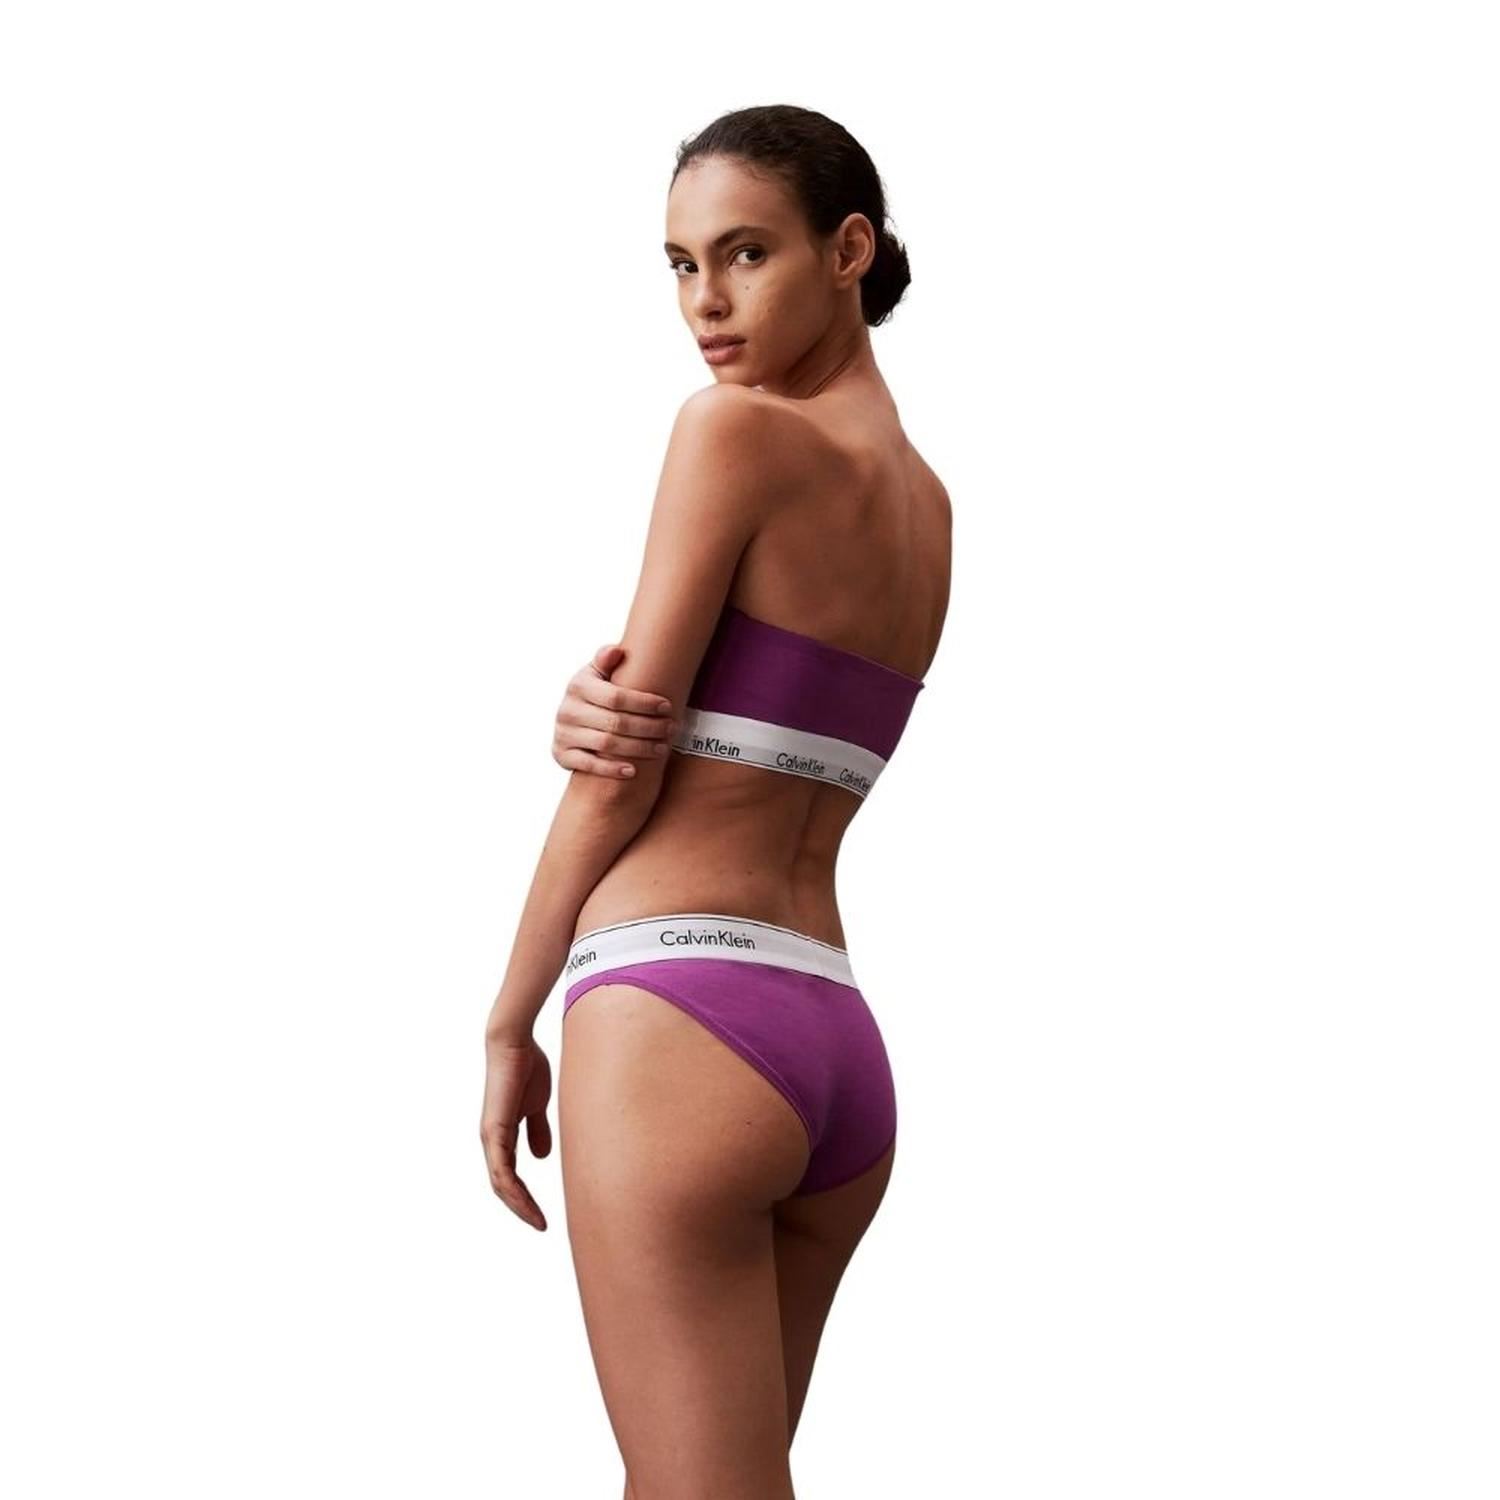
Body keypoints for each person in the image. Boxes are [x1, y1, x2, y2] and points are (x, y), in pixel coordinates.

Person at [480, 103, 950, 1500]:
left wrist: (509, 1020)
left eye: (746, 253)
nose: (706, 302)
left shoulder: (729, 433)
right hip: (833, 1042)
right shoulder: (928, 509)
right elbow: (744, 730)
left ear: (849, 250)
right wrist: (625, 709)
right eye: (681, 265)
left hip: (677, 1021)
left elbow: (620, 768)